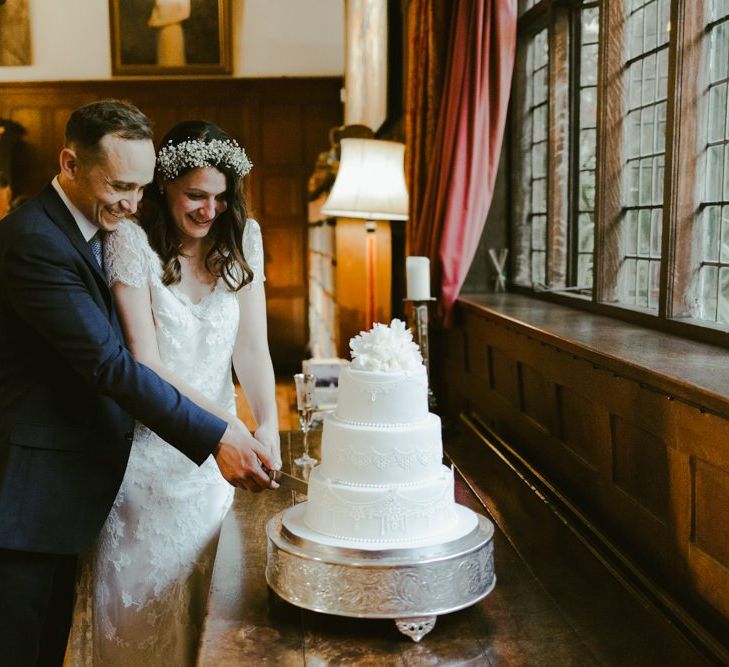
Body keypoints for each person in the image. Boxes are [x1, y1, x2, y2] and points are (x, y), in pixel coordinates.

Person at [0, 101, 278, 667]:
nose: (132, 203)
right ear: (70, 164)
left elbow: (249, 345)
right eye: (120, 186)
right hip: (29, 488)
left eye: (140, 187)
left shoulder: (94, 227)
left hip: (81, 474)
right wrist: (221, 432)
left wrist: (261, 420)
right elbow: (113, 365)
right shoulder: (34, 240)